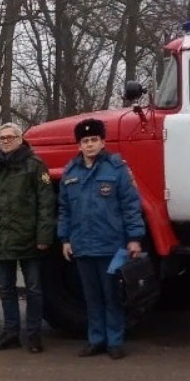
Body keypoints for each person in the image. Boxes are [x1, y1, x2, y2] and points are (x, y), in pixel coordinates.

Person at [56, 118, 145, 359]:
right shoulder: (70, 173)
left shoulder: (116, 170)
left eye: (94, 140)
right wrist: (65, 239)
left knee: (112, 296)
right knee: (91, 297)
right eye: (85, 141)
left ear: (103, 142)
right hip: (83, 246)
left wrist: (134, 238)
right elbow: (64, 209)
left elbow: (130, 205)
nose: (89, 145)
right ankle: (96, 340)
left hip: (111, 246)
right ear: (79, 145)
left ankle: (115, 341)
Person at [0, 121, 55, 353]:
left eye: (10, 137)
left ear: (20, 139)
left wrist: (44, 236)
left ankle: (33, 335)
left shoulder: (35, 165)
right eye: (2, 138)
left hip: (29, 239)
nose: (6, 141)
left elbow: (46, 203)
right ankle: (11, 332)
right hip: (2, 240)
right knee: (6, 289)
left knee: (33, 289)